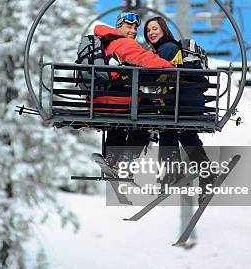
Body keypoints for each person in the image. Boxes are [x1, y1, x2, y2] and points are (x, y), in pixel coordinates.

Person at [92, 12, 176, 170]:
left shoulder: (106, 42)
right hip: (116, 101)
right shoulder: (124, 43)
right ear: (118, 27)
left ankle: (111, 157)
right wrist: (172, 66)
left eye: (135, 28)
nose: (133, 31)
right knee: (146, 113)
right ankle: (127, 158)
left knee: (122, 114)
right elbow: (147, 59)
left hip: (102, 99)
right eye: (128, 26)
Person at [144, 16, 215, 193]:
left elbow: (150, 72)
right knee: (184, 134)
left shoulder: (168, 47)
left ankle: (172, 174)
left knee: (168, 128)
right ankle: (205, 174)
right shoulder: (168, 49)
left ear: (164, 30)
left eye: (155, 28)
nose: (151, 33)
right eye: (148, 31)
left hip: (181, 99)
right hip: (185, 100)